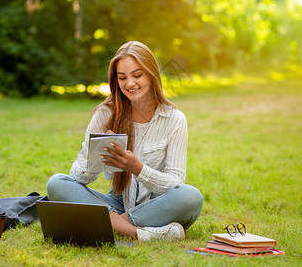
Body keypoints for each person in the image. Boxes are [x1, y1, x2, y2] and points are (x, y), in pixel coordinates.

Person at [46, 41, 203, 242]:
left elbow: (175, 183)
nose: (129, 84)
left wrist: (138, 168)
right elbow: (77, 177)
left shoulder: (175, 119)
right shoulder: (105, 114)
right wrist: (97, 158)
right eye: (122, 78)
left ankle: (109, 225)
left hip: (156, 205)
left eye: (137, 75)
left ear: (152, 75)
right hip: (117, 202)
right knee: (57, 183)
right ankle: (139, 234)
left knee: (191, 197)